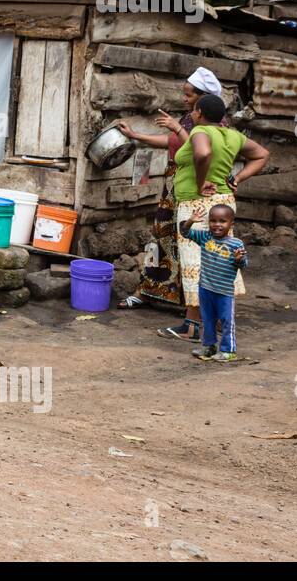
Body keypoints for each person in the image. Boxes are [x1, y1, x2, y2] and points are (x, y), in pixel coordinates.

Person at [114, 67, 226, 314]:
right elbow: (170, 142)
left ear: (204, 98)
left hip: (194, 186)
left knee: (188, 240)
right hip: (173, 182)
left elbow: (201, 150)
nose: (184, 99)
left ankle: (193, 305)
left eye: (189, 95)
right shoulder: (189, 118)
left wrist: (177, 128)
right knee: (161, 237)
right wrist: (135, 135)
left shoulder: (215, 124)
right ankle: (148, 290)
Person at [164, 93, 268, 343]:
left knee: (195, 263)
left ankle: (192, 326)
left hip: (197, 206)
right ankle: (220, 321)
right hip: (223, 205)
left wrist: (200, 183)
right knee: (220, 260)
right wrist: (238, 178)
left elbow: (202, 154)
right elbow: (262, 154)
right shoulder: (232, 135)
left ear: (199, 112)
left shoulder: (201, 132)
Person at [178, 204, 248, 361]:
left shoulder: (236, 244)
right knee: (207, 319)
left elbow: (243, 265)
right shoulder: (204, 237)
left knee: (226, 321)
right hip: (205, 288)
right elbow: (184, 232)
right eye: (213, 220)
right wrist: (190, 220)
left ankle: (228, 350)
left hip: (224, 292)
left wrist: (239, 259)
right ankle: (208, 347)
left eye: (222, 221)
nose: (217, 224)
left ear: (231, 224)